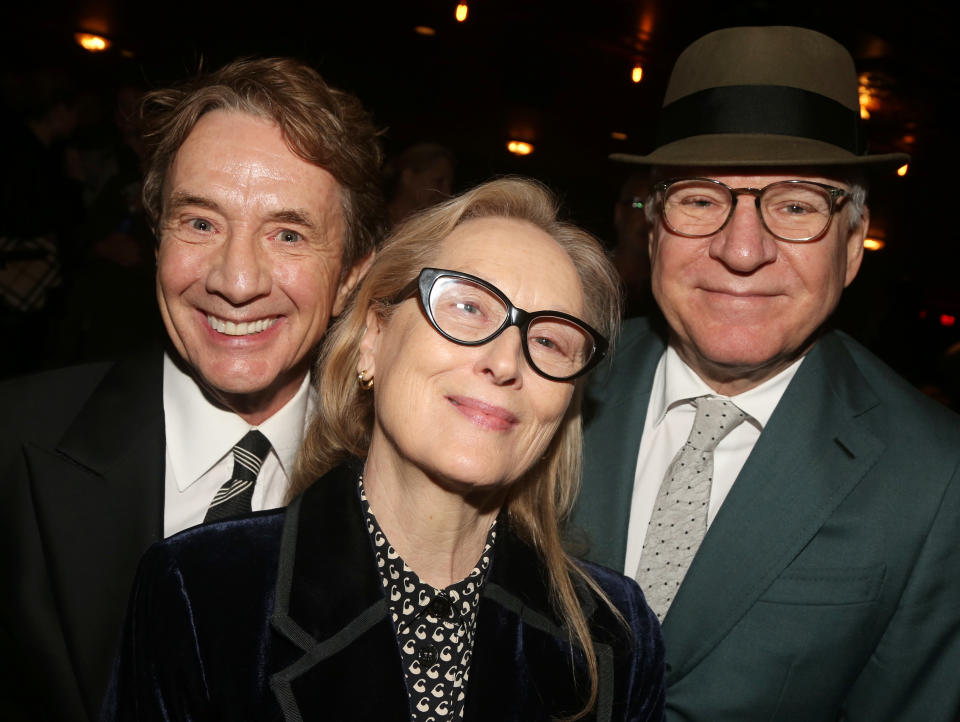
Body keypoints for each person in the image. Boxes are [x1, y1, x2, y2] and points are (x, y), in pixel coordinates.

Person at [102, 177, 666, 721]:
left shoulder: (612, 637)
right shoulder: (201, 593)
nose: (504, 362)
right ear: (373, 337)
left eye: (548, 339)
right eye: (467, 307)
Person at [571, 26, 960, 720]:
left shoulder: (934, 478)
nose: (743, 250)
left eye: (796, 205)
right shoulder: (554, 381)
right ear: (653, 228)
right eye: (699, 198)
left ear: (852, 246)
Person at [0, 57, 384, 721]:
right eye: (200, 223)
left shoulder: (397, 496)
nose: (237, 281)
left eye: (288, 233)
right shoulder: (13, 443)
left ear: (352, 273)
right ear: (156, 237)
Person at [384, 141, 455, 226]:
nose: (447, 193)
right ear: (408, 177)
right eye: (438, 181)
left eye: (449, 184)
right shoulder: (375, 223)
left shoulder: (437, 228)